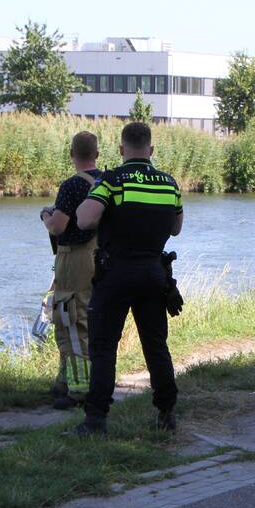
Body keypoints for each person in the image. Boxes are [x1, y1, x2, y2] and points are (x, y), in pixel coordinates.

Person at [72, 122, 183, 435]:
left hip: (116, 273)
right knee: (156, 345)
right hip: (154, 274)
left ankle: (96, 419)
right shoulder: (169, 184)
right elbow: (176, 228)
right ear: (151, 149)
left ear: (121, 149)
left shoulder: (112, 181)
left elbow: (84, 220)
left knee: (104, 346)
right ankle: (166, 413)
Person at [40, 131, 102, 409]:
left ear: (71, 154)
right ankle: (66, 380)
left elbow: (58, 227)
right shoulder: (106, 181)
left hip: (73, 259)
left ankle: (78, 389)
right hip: (99, 258)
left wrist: (46, 215)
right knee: (81, 318)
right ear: (96, 154)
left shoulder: (72, 186)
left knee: (71, 319)